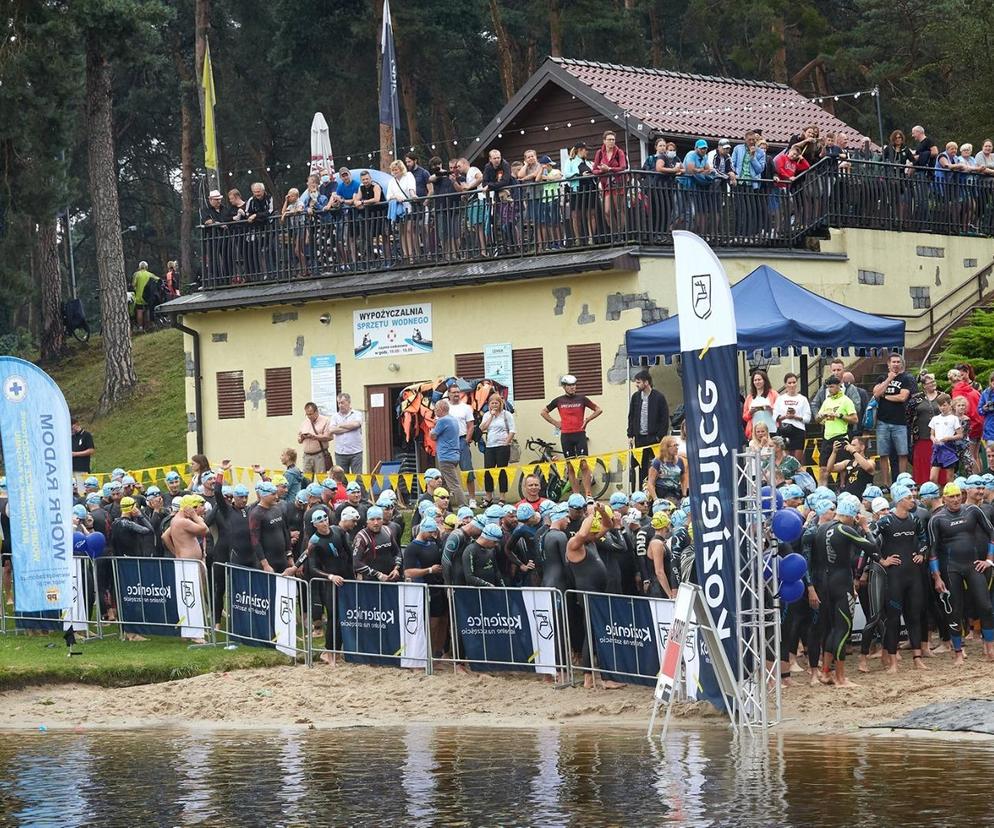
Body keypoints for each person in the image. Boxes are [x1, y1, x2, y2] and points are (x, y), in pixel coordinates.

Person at [809, 494, 877, 687]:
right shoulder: (844, 529)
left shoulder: (821, 529)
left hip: (823, 583)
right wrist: (864, 527)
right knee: (843, 629)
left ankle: (825, 673)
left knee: (831, 628)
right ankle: (840, 677)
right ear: (851, 514)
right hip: (841, 583)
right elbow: (873, 547)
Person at [928, 482, 994, 664]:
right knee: (955, 610)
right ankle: (958, 652)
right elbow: (932, 551)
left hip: (973, 565)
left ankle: (990, 647)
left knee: (985, 606)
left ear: (962, 495)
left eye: (958, 495)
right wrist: (937, 577)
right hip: (951, 569)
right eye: (951, 496)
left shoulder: (972, 511)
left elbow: (991, 532)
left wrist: (989, 559)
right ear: (944, 499)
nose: (956, 499)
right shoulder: (937, 519)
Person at [874, 484, 930, 672]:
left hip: (913, 575)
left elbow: (924, 540)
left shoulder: (914, 519)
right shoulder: (886, 522)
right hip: (895, 577)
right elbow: (870, 542)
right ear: (899, 500)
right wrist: (882, 560)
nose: (913, 499)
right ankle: (893, 662)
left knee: (914, 616)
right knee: (893, 619)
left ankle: (917, 658)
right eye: (908, 497)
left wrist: (922, 554)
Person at [298, 508, 353, 664]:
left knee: (344, 617)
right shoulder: (314, 542)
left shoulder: (338, 532)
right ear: (315, 525)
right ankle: (328, 652)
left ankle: (337, 651)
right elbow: (313, 568)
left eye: (325, 519)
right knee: (333, 618)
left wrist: (352, 576)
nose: (324, 522)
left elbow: (348, 555)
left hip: (345, 580)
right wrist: (330, 576)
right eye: (320, 521)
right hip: (330, 584)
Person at [541, 374, 602, 498]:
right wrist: (556, 423)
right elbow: (543, 412)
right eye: (569, 385)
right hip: (566, 436)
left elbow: (598, 409)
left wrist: (587, 420)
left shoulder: (582, 399)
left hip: (579, 434)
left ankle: (588, 494)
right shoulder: (559, 400)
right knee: (570, 466)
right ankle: (576, 495)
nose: (573, 387)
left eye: (574, 385)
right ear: (564, 387)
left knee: (584, 465)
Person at [871, 353, 917, 486]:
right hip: (882, 422)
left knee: (903, 453)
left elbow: (902, 397)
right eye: (893, 362)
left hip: (900, 422)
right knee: (883, 454)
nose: (896, 364)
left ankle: (901, 482)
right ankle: (886, 484)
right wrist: (888, 380)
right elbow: (876, 393)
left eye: (898, 362)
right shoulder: (882, 377)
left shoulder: (906, 378)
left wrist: (885, 396)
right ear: (888, 364)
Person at [627, 369, 670, 489]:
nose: (636, 384)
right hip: (640, 438)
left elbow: (664, 418)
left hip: (654, 438)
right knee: (641, 466)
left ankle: (658, 489)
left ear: (646, 382)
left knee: (657, 465)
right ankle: (642, 491)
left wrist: (659, 436)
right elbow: (631, 416)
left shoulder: (659, 397)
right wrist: (630, 435)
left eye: (638, 382)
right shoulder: (635, 397)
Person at [815, 376, 858, 486]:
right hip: (827, 437)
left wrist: (839, 415)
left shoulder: (846, 401)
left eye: (832, 387)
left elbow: (855, 419)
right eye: (828, 387)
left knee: (842, 468)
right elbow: (817, 420)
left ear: (839, 386)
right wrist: (821, 416)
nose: (830, 389)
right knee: (823, 468)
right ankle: (821, 491)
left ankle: (843, 489)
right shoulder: (827, 401)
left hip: (841, 437)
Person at [445, 383, 478, 508]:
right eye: (453, 392)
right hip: (448, 443)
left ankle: (472, 499)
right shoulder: (444, 407)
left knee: (467, 470)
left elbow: (471, 426)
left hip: (462, 440)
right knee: (448, 472)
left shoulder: (466, 408)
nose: (456, 394)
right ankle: (448, 501)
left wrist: (467, 440)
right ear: (449, 394)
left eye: (457, 392)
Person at [248, 481, 291, 573]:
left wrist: (289, 555)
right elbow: (255, 541)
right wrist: (265, 564)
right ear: (263, 495)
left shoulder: (278, 509)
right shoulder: (256, 514)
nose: (276, 497)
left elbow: (285, 532)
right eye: (273, 494)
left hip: (282, 560)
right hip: (268, 562)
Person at [479, 393, 515, 505]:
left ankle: (502, 497)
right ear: (489, 404)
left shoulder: (506, 414)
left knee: (502, 471)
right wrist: (491, 416)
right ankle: (488, 497)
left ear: (500, 404)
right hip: (490, 446)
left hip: (502, 447)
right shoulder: (486, 415)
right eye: (492, 403)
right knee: (488, 472)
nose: (494, 405)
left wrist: (506, 443)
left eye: (496, 403)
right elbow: (482, 428)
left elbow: (512, 430)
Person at [430, 399, 465, 507]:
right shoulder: (453, 419)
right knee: (443, 483)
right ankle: (444, 505)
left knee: (454, 484)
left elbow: (433, 436)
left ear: (441, 409)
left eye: (436, 409)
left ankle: (463, 506)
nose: (434, 411)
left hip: (445, 457)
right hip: (454, 456)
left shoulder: (442, 420)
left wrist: (432, 429)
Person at [592, 130, 628, 235]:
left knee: (618, 209)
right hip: (606, 184)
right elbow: (594, 170)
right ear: (604, 141)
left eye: (613, 139)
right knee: (607, 211)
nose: (611, 142)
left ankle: (621, 234)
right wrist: (602, 171)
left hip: (618, 183)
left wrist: (609, 169)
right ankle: (615, 232)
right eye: (609, 140)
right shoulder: (599, 153)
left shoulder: (619, 152)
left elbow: (623, 167)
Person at [910, 373, 942, 484]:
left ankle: (940, 483)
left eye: (934, 381)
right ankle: (923, 484)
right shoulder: (916, 398)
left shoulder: (942, 396)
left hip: (940, 437)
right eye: (930, 382)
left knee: (940, 460)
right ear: (924, 385)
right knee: (923, 460)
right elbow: (909, 414)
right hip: (922, 435)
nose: (933, 384)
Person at [772, 373, 811, 461]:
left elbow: (807, 418)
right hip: (784, 429)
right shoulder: (780, 399)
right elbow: (774, 417)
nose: (792, 385)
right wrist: (785, 416)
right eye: (789, 383)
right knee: (785, 460)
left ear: (797, 383)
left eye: (794, 382)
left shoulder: (803, 399)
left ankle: (798, 474)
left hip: (798, 430)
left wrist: (795, 417)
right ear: (785, 384)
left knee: (797, 461)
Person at [162, 494, 208, 561]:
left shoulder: (176, 519)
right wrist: (195, 517)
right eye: (193, 509)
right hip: (188, 561)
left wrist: (176, 553)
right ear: (189, 509)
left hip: (186, 560)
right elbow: (205, 530)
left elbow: (164, 536)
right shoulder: (183, 522)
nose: (194, 512)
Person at [329, 392, 363, 474]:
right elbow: (332, 430)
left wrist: (340, 425)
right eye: (338, 403)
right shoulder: (335, 416)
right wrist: (349, 428)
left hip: (356, 452)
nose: (340, 405)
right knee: (342, 479)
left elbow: (356, 424)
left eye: (342, 403)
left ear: (348, 402)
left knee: (358, 478)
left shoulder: (357, 414)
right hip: (340, 453)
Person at [297, 401, 332, 479]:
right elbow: (299, 440)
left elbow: (329, 437)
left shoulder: (326, 420)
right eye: (307, 414)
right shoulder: (304, 423)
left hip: (319, 455)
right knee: (306, 480)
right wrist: (302, 437)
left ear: (316, 412)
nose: (309, 416)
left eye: (310, 414)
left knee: (321, 479)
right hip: (306, 455)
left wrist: (315, 437)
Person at [646, 436, 686, 501]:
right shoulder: (657, 462)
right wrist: (656, 499)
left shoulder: (680, 461)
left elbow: (683, 480)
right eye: (674, 445)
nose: (677, 448)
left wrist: (684, 495)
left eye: (677, 445)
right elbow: (650, 483)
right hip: (661, 494)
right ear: (666, 447)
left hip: (675, 494)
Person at [743, 369, 778, 440]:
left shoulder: (773, 394)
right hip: (755, 432)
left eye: (759, 379)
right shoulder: (750, 397)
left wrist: (771, 409)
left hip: (771, 429)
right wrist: (750, 412)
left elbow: (781, 411)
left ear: (764, 380)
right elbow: (744, 416)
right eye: (755, 380)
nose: (757, 382)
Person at [131, 261, 161, 332]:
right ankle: (147, 327)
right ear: (147, 267)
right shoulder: (150, 274)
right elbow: (158, 280)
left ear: (139, 267)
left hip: (139, 297)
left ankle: (140, 327)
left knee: (139, 311)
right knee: (147, 310)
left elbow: (133, 284)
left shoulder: (136, 274)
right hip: (148, 297)